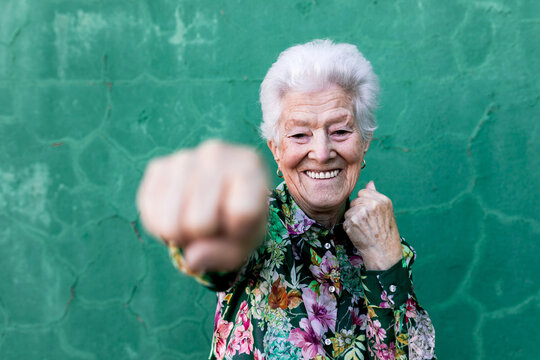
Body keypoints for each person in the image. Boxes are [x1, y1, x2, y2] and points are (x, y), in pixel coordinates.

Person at [137, 39, 436, 360]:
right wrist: (200, 222)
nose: (321, 153)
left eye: (339, 131)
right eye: (298, 135)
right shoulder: (259, 220)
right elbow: (221, 246)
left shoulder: (381, 234)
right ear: (276, 151)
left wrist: (386, 263)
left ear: (365, 143)